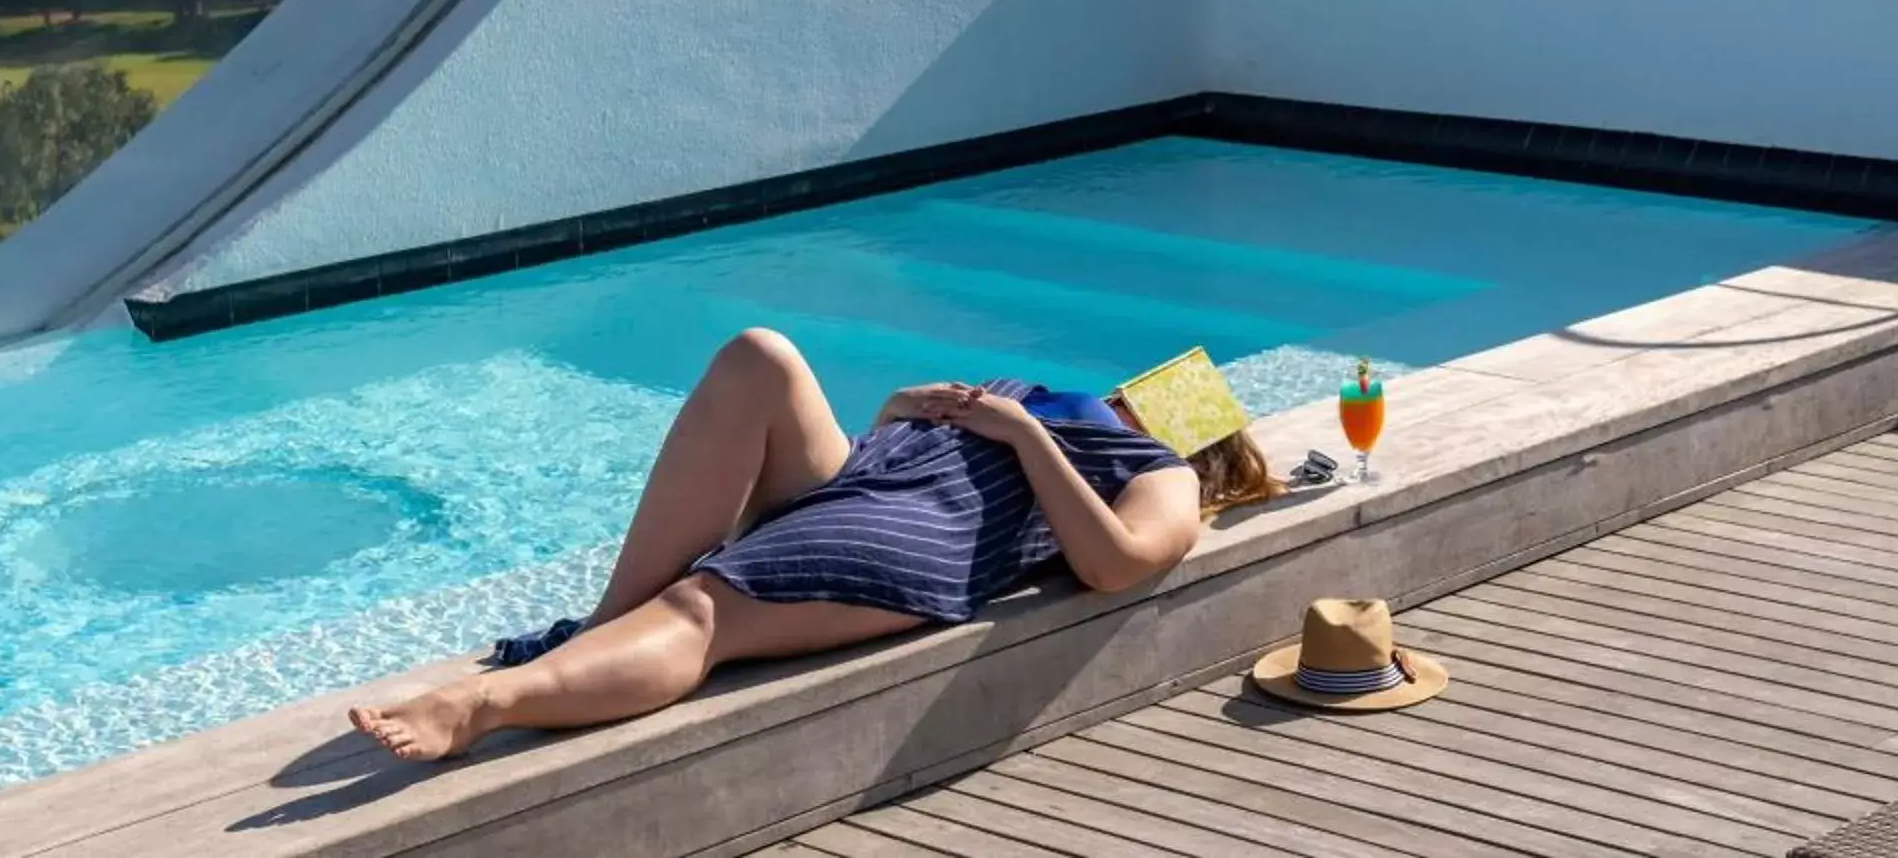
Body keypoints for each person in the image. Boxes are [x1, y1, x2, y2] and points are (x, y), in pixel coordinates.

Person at [350, 327, 1281, 761]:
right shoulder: (1051, 401)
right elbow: (910, 445)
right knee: (761, 355)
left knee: (706, 604)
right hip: (877, 475)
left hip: (925, 535)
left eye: (1141, 396)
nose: (1120, 394)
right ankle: (602, 629)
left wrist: (1025, 435)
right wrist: (897, 416)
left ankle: (485, 704)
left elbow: (1117, 565)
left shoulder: (1150, 464)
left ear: (1181, 428)